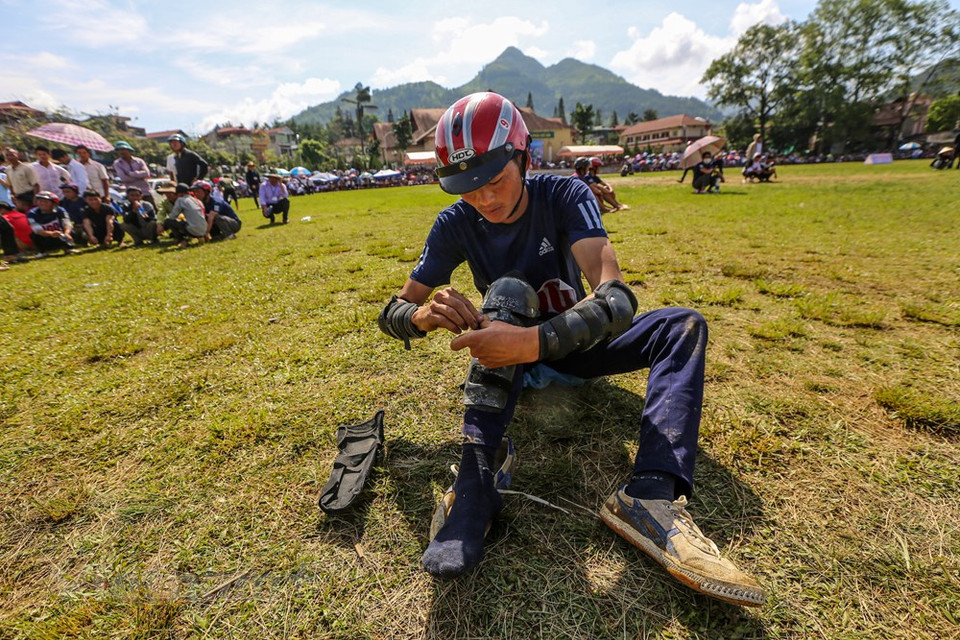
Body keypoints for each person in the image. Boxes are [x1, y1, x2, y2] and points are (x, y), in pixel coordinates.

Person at [377, 91, 765, 607]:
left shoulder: (563, 194)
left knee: (683, 325)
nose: (485, 200)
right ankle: (475, 482)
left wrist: (533, 341)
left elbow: (617, 295)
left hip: (568, 345)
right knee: (509, 292)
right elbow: (392, 312)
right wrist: (422, 316)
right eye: (468, 189)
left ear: (524, 157)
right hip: (507, 362)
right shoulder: (454, 223)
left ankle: (649, 496)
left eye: (495, 180)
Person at [27, 191, 76, 255]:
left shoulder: (60, 210)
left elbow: (67, 223)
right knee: (34, 235)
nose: (42, 203)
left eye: (45, 201)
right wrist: (51, 233)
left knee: (73, 231)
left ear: (53, 203)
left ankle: (68, 248)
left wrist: (67, 233)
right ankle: (44, 251)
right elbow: (37, 230)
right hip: (47, 237)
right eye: (40, 201)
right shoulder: (32, 214)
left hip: (62, 234)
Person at [159, 183, 207, 248]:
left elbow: (172, 216)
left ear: (180, 193)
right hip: (204, 229)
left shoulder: (180, 200)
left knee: (168, 221)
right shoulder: (197, 200)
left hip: (193, 230)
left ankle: (182, 240)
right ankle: (201, 237)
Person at [112, 141, 154, 206]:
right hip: (131, 195)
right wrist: (139, 176)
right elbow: (124, 178)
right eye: (118, 150)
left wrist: (131, 173)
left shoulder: (139, 161)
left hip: (145, 191)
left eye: (123, 149)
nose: (121, 152)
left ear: (129, 150)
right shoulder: (117, 163)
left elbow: (146, 173)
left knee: (151, 211)